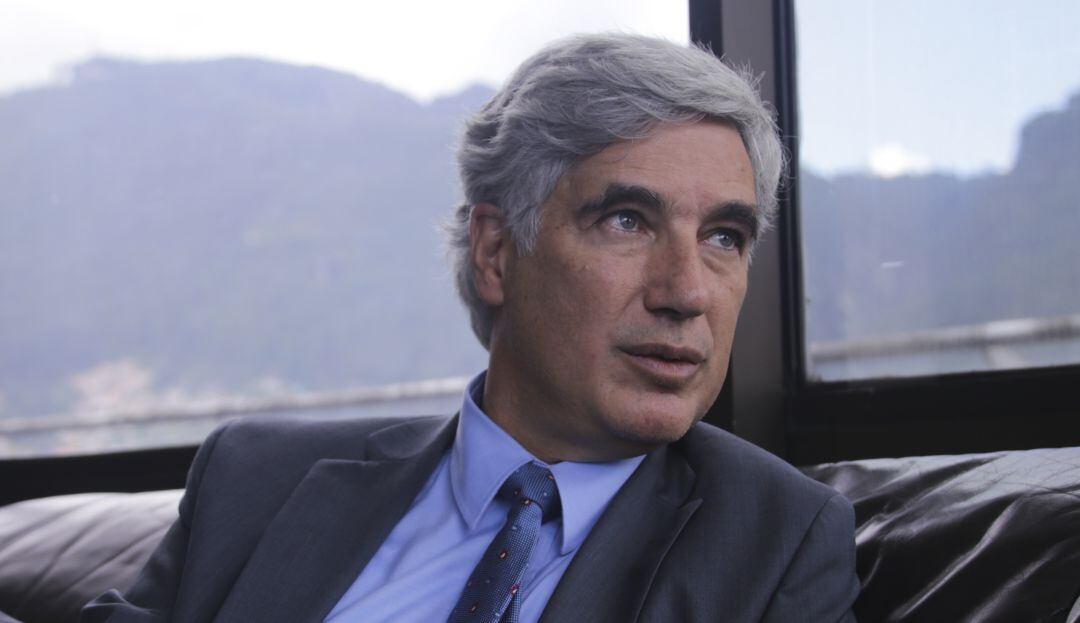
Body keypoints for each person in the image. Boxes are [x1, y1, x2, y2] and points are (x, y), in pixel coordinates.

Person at [82, 33, 859, 623]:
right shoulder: (254, 478)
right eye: (627, 220)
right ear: (496, 252)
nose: (687, 291)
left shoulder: (779, 540)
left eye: (724, 237)